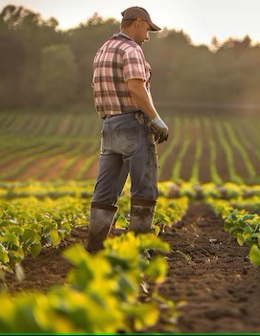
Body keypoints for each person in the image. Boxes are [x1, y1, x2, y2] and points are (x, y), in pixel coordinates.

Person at [87, 6, 169, 252]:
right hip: (132, 125)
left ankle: (94, 246)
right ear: (138, 23)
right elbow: (135, 86)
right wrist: (155, 119)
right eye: (147, 29)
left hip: (109, 125)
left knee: (106, 189)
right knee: (145, 186)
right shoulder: (131, 50)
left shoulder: (103, 50)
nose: (148, 35)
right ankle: (138, 248)